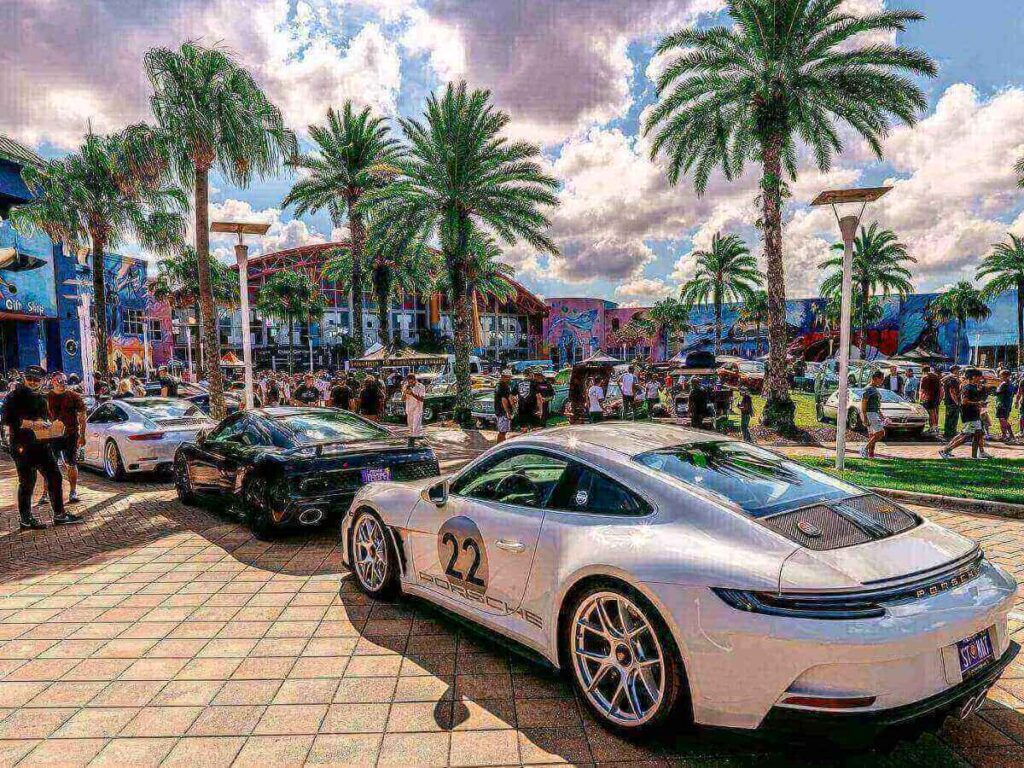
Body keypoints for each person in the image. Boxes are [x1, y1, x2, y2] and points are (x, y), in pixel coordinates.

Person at [1, 366, 81, 530]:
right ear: (24, 378)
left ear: (43, 380)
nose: (32, 382)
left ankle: (59, 515)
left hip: (42, 445)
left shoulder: (41, 398)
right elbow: (8, 420)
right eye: (29, 378)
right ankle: (26, 519)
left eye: (36, 379)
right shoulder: (14, 396)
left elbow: (44, 420)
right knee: (27, 482)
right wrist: (33, 424)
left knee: (55, 477)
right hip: (22, 445)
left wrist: (52, 427)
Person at [46, 373, 87, 505]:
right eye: (59, 380)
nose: (62, 383)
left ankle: (73, 491)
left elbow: (82, 416)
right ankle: (46, 493)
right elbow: (40, 417)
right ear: (52, 382)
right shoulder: (47, 397)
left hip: (71, 434)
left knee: (72, 463)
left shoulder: (73, 396)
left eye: (64, 380)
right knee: (49, 465)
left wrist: (82, 435)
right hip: (52, 436)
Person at [941, 369, 990, 459]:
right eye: (979, 376)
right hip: (969, 414)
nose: (981, 378)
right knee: (967, 435)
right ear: (974, 377)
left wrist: (980, 402)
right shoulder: (967, 387)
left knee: (978, 434)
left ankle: (975, 456)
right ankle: (946, 451)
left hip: (975, 413)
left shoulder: (974, 386)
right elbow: (964, 402)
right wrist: (978, 403)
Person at [859, 370, 886, 459]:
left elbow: (877, 405)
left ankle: (871, 455)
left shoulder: (875, 389)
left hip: (875, 413)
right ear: (875, 378)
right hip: (870, 414)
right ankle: (864, 448)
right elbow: (864, 403)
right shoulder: (868, 389)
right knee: (881, 433)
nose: (882, 381)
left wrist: (881, 416)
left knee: (872, 435)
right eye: (881, 379)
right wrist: (865, 417)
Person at [401, 373, 426, 446]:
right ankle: (413, 441)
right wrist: (404, 393)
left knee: (416, 426)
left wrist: (412, 393)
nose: (410, 383)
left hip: (417, 409)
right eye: (409, 382)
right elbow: (402, 399)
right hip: (409, 409)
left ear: (415, 380)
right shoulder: (405, 386)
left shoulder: (421, 386)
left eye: (412, 382)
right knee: (411, 426)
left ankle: (415, 442)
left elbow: (421, 399)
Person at [918, 365, 941, 437]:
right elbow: (940, 387)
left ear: (923, 371)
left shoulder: (925, 377)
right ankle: (935, 427)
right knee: (934, 412)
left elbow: (922, 390)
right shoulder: (936, 376)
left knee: (930, 413)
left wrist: (920, 399)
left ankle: (932, 428)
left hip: (928, 397)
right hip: (936, 397)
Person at [994, 369, 1016, 443]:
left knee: (1003, 421)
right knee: (1003, 420)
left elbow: (997, 392)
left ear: (1004, 376)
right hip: (1007, 404)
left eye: (1001, 375)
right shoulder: (1011, 384)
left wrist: (996, 387)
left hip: (1001, 404)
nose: (1000, 377)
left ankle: (1011, 436)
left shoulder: (1004, 384)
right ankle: (1004, 436)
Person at [941, 365, 962, 439]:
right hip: (952, 402)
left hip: (949, 401)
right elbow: (952, 392)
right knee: (952, 418)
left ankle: (950, 433)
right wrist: (957, 402)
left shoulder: (949, 379)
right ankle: (950, 433)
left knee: (950, 418)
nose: (959, 372)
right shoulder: (952, 380)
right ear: (954, 370)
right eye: (958, 370)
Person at [493, 371, 514, 442]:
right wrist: (508, 412)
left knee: (503, 432)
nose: (509, 379)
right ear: (503, 377)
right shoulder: (503, 386)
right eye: (508, 377)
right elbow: (503, 400)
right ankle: (499, 447)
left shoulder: (499, 385)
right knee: (502, 432)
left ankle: (500, 445)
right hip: (503, 412)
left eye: (509, 377)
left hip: (500, 411)